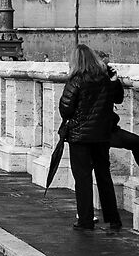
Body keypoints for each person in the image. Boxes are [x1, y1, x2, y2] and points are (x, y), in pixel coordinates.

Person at [56, 44, 134, 231]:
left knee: (82, 178)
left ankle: (85, 220)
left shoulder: (75, 81)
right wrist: (115, 80)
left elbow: (65, 109)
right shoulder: (104, 79)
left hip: (80, 137)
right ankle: (113, 219)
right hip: (101, 136)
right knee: (103, 176)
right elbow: (118, 99)